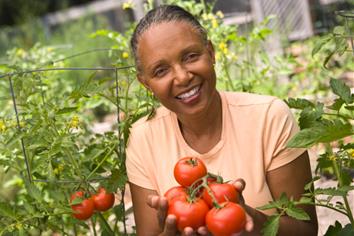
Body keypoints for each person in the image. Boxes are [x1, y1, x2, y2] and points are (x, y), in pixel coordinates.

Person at [126, 4, 318, 236]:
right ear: (145, 83)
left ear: (211, 52)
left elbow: (306, 230)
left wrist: (253, 221)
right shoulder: (143, 137)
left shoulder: (269, 117)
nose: (182, 77)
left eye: (190, 56)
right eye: (160, 71)